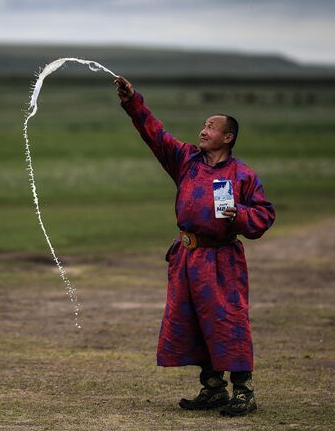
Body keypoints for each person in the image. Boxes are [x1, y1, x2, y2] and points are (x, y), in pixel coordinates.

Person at [114, 76, 275, 416]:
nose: (203, 131)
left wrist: (240, 215)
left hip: (222, 260)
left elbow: (264, 215)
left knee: (228, 320)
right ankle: (213, 387)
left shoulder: (242, 175)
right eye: (203, 125)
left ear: (227, 137)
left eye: (211, 127)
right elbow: (154, 133)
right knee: (193, 321)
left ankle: (243, 391)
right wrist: (133, 101)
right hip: (187, 257)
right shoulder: (185, 159)